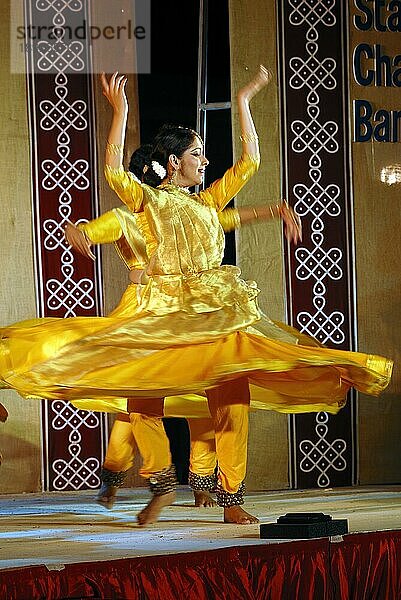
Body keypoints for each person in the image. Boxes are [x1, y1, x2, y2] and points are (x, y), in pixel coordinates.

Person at [0, 67, 392, 525]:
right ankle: (154, 478)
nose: (205, 162)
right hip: (164, 312)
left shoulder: (208, 205)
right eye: (197, 155)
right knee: (141, 399)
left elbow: (248, 168)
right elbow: (111, 171)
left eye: (205, 155)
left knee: (233, 396)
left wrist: (245, 102)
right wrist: (120, 110)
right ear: (172, 163)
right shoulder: (148, 202)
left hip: (216, 312)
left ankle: (230, 496)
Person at [66, 143, 288, 512]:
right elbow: (95, 229)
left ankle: (206, 485)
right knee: (137, 403)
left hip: (197, 305)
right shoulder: (130, 212)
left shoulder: (192, 207)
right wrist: (82, 232)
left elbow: (225, 217)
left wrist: (272, 210)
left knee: (207, 398)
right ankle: (120, 476)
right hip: (151, 308)